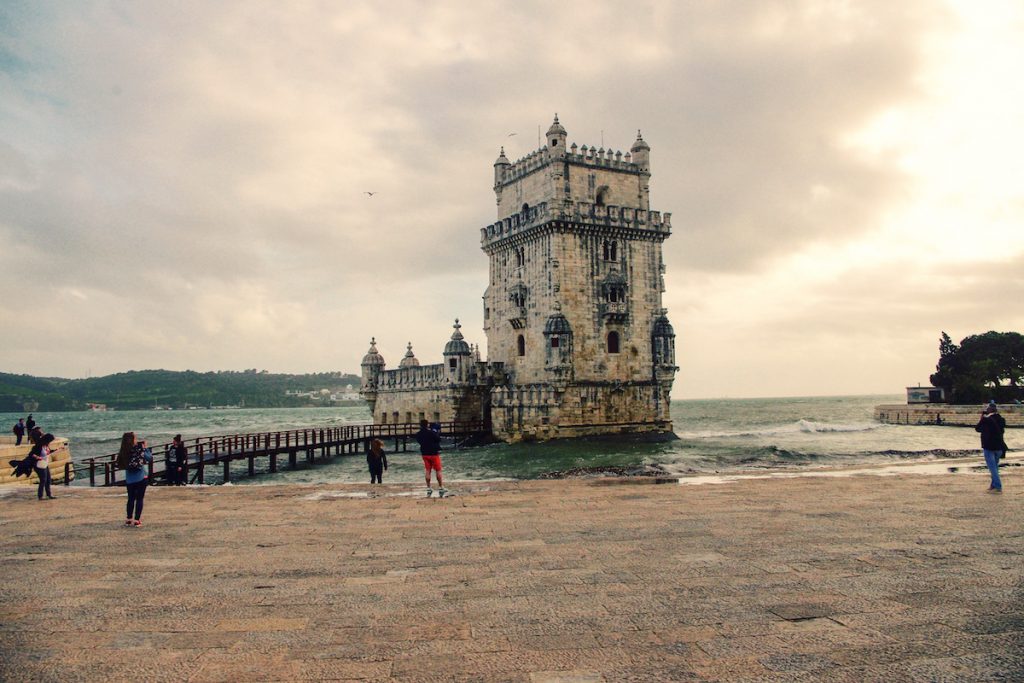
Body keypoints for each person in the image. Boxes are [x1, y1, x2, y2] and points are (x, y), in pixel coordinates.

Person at [118, 432, 152, 526]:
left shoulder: (124, 450)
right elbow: (149, 458)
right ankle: (137, 520)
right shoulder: (139, 449)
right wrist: (145, 448)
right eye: (135, 438)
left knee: (131, 499)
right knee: (139, 499)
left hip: (129, 479)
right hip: (141, 477)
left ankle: (129, 519)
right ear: (133, 440)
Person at [975, 403, 1007, 494]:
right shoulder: (1001, 419)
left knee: (992, 468)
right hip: (999, 446)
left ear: (989, 410)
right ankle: (993, 485)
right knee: (995, 467)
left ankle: (998, 486)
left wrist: (982, 418)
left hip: (989, 446)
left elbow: (977, 428)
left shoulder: (986, 420)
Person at [414, 419, 446, 497]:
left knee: (428, 470)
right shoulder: (431, 432)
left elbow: (419, 441)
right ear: (427, 424)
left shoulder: (418, 434)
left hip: (425, 453)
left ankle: (428, 487)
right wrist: (436, 432)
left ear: (420, 425)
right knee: (438, 470)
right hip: (434, 453)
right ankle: (440, 487)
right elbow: (438, 439)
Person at [30, 433, 57, 500]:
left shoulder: (46, 446)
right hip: (39, 465)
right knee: (43, 480)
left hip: (45, 464)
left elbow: (48, 452)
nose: (50, 442)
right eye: (50, 440)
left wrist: (57, 450)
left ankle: (49, 494)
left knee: (48, 480)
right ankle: (40, 496)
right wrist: (37, 457)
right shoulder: (38, 446)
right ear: (47, 440)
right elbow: (31, 454)